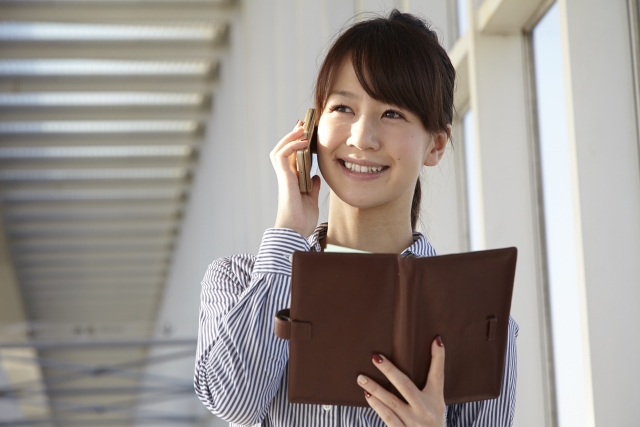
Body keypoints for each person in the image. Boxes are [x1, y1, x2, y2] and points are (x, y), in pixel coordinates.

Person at [195, 9, 518, 427]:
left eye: (393, 114)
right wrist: (289, 233)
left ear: (436, 145)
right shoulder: (238, 283)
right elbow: (234, 403)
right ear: (311, 127)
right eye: (343, 107)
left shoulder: (476, 319)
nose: (361, 137)